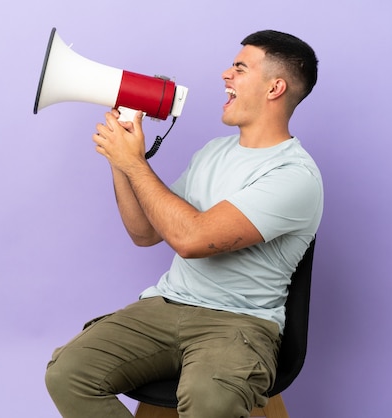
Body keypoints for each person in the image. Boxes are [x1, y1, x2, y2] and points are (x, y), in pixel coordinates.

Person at [45, 29, 323, 418]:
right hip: (165, 306)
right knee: (68, 372)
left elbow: (192, 239)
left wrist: (134, 163)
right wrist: (121, 160)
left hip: (238, 323)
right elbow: (144, 233)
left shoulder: (294, 175)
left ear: (275, 87)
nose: (225, 74)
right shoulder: (213, 152)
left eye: (240, 68)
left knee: (210, 401)